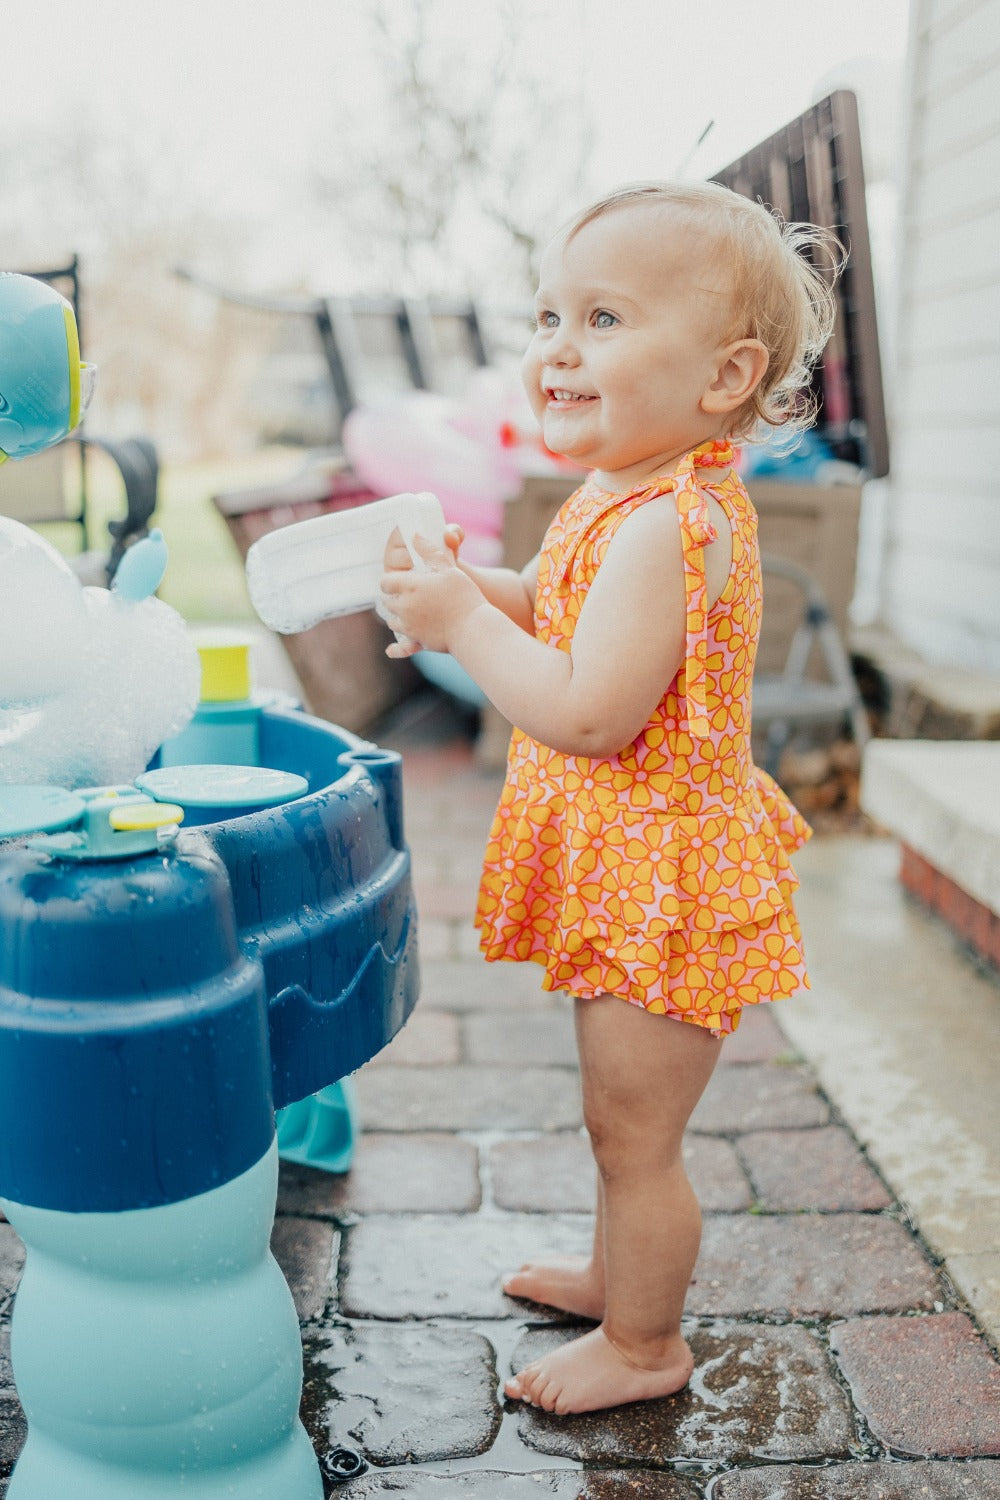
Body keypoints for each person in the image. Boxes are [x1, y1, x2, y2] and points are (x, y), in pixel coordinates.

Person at [378, 180, 839, 1416]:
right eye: (547, 317)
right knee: (610, 1118)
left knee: (639, 1134)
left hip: (666, 886)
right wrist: (475, 585)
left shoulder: (672, 526)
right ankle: (613, 1272)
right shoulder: (615, 495)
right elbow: (553, 599)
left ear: (724, 376)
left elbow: (588, 710)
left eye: (604, 318)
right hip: (626, 869)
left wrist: (457, 624)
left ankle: (646, 1347)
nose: (557, 349)